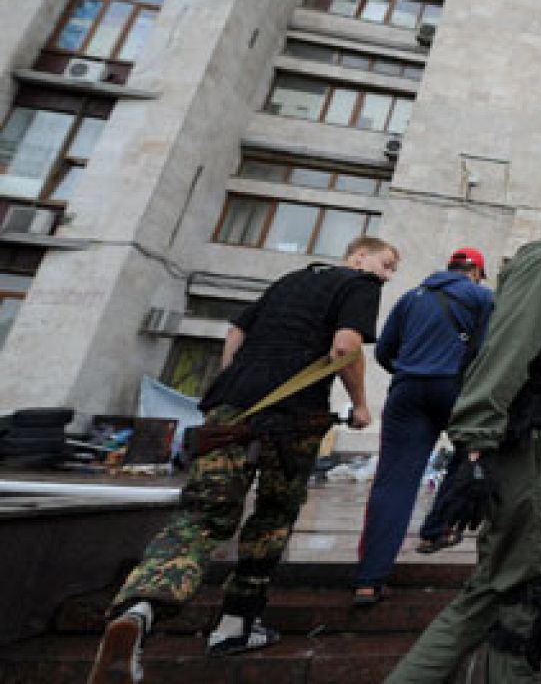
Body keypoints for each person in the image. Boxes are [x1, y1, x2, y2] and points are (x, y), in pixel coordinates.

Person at [89, 236, 398, 683]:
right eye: (385, 265)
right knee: (271, 518)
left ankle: (139, 610)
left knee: (199, 516)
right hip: (292, 416)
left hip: (230, 411)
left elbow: (236, 332)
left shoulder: (289, 281)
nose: (386, 275)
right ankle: (235, 624)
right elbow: (345, 348)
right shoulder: (359, 285)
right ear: (359, 256)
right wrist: (362, 405)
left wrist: (233, 381)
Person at [386, 185, 541, 683]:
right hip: (527, 446)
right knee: (521, 589)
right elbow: (507, 350)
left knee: (507, 591)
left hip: (539, 444)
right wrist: (474, 439)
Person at [351, 247, 495, 605]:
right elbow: (488, 352)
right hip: (454, 391)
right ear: (475, 271)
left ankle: (369, 580)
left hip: (406, 391)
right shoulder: (481, 297)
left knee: (393, 482)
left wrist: (413, 368)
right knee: (472, 454)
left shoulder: (412, 297)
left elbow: (384, 351)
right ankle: (435, 530)